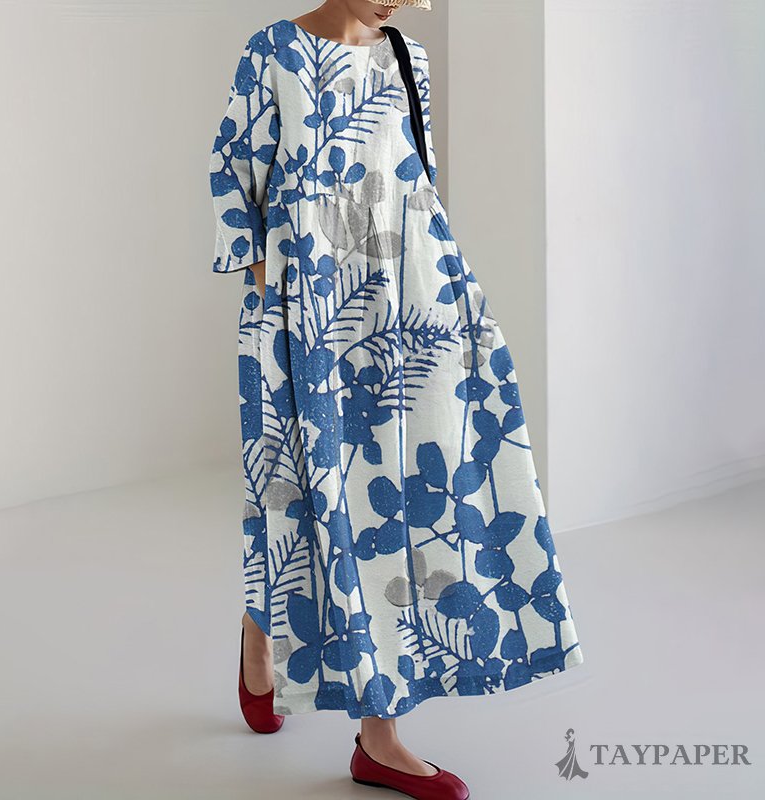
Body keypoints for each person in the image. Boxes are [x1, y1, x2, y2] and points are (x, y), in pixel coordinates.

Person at [208, 1, 585, 797]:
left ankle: (374, 736)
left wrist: (452, 308)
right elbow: (235, 179)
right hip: (305, 312)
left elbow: (416, 187)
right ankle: (262, 627)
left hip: (411, 305)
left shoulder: (408, 57)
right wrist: (275, 299)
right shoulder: (272, 52)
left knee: (400, 501)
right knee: (301, 496)